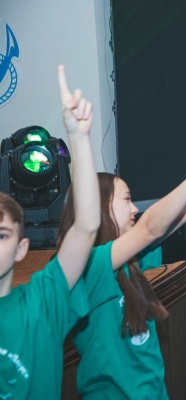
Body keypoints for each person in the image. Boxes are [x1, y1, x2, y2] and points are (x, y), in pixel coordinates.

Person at [56, 113, 186, 398]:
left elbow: (185, 212)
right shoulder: (86, 266)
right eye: (127, 200)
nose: (135, 208)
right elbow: (151, 227)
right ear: (97, 207)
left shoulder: (127, 259)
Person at [0, 65, 100, 399]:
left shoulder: (42, 301)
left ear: (21, 248)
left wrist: (78, 138)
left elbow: (86, 227)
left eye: (2, 235)